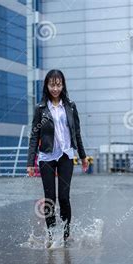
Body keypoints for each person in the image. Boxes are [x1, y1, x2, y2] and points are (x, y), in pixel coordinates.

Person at [27, 69, 88, 247]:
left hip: (66, 155)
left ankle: (67, 234)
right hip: (46, 157)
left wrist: (83, 156)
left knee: (64, 197)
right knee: (49, 198)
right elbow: (34, 136)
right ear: (47, 85)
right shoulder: (40, 109)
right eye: (52, 84)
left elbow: (77, 133)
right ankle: (52, 234)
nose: (55, 88)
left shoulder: (70, 106)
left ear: (63, 85)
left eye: (58, 84)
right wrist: (30, 163)